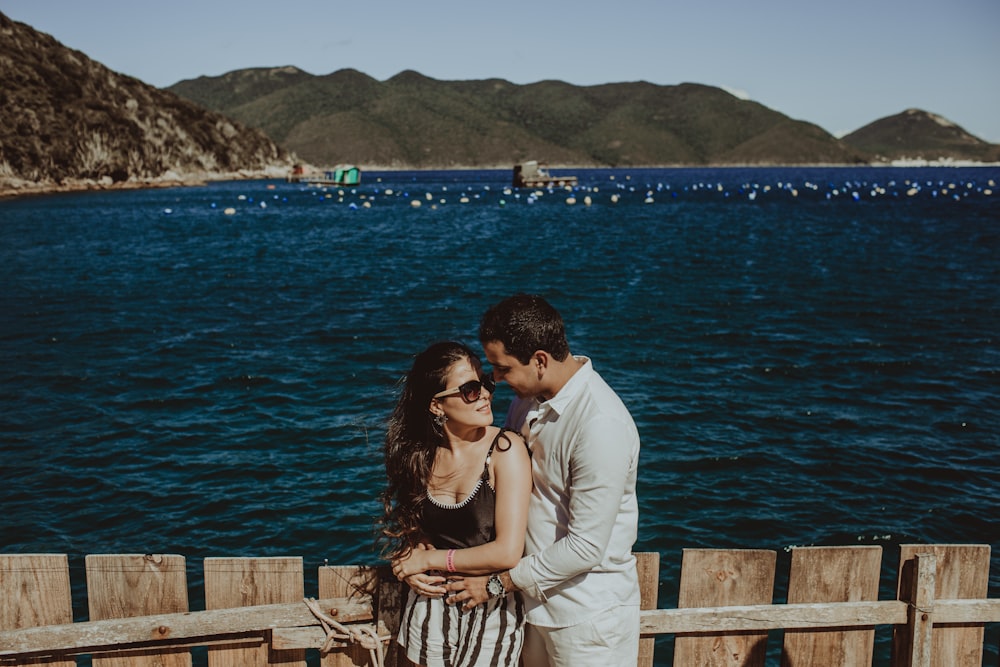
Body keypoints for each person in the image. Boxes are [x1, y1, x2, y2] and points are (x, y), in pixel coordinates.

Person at [445, 294, 642, 667]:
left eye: (502, 368)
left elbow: (585, 547)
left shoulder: (600, 426)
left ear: (539, 360)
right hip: (532, 608)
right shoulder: (529, 399)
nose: (496, 381)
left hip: (588, 619)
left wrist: (495, 583)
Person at [379, 340, 532, 667]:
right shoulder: (418, 455)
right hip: (429, 608)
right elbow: (416, 530)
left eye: (485, 384)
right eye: (470, 390)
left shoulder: (506, 450)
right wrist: (409, 555)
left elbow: (507, 551)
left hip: (491, 609)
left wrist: (426, 559)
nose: (487, 394)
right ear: (437, 405)